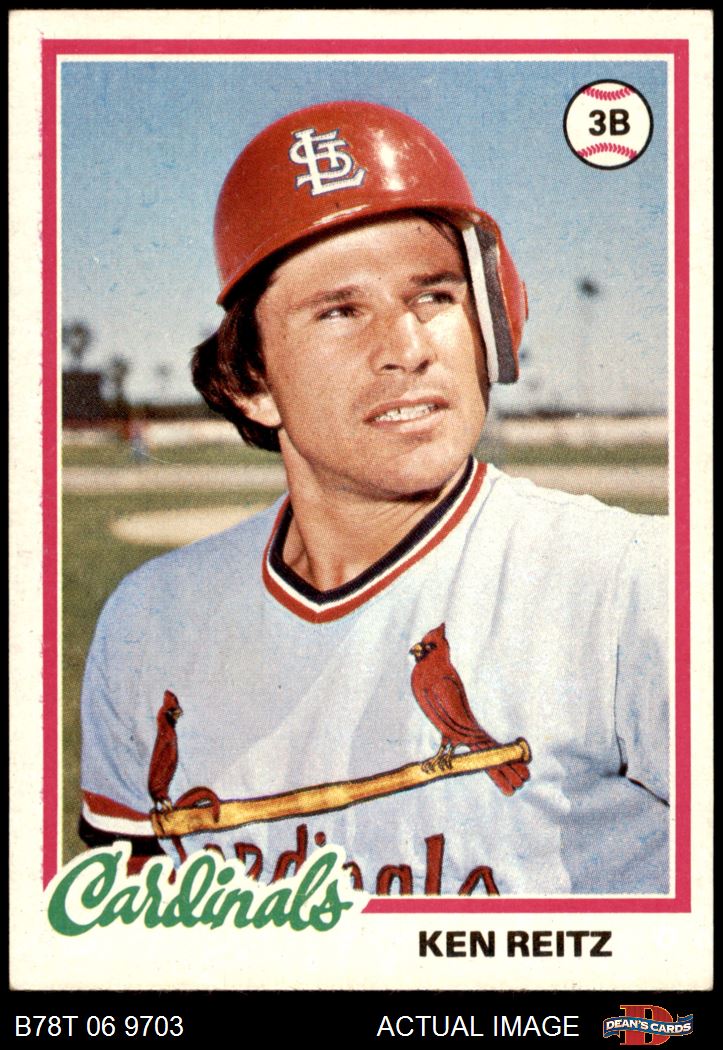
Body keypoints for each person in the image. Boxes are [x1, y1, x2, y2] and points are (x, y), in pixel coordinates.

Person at [80, 101, 668, 896]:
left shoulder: (638, 586)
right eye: (340, 311)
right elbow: (127, 923)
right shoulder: (147, 622)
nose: (407, 348)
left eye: (433, 297)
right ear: (251, 383)